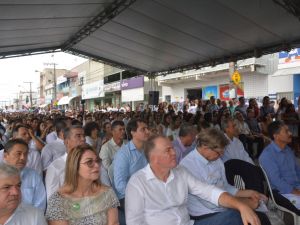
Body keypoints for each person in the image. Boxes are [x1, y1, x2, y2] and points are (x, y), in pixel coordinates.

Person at [125, 135, 261, 225]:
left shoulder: (180, 172)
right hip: (198, 215)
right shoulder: (137, 183)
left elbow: (209, 191)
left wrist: (241, 206)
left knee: (235, 216)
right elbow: (134, 222)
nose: (174, 153)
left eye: (173, 148)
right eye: (168, 150)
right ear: (154, 158)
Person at [180, 128, 270, 225]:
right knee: (242, 219)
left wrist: (250, 193)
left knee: (261, 218)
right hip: (205, 214)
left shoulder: (216, 160)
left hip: (222, 206)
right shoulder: (188, 166)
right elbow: (211, 203)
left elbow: (225, 187)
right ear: (205, 147)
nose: (221, 155)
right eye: (219, 152)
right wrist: (245, 204)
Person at [46, 144, 119, 225]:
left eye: (97, 160)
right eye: (89, 162)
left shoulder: (107, 193)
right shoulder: (58, 201)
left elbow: (114, 223)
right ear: (75, 166)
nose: (97, 165)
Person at [113, 118, 149, 224]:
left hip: (145, 190)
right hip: (126, 196)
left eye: (147, 128)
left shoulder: (147, 150)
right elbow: (120, 184)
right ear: (133, 132)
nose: (147, 131)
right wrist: (138, 196)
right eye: (143, 129)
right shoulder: (124, 154)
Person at [259, 121, 300, 215]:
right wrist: (295, 191)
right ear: (276, 136)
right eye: (286, 131)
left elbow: (297, 170)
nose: (290, 133)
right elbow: (276, 181)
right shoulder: (267, 155)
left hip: (296, 186)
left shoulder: (288, 150)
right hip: (282, 192)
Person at [3, 139, 46, 211]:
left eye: (25, 154)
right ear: (5, 156)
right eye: (18, 153)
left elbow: (40, 204)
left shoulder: (33, 176)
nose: (23, 158)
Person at [45, 125, 85, 199]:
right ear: (67, 142)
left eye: (83, 136)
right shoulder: (56, 167)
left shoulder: (91, 163)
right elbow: (52, 200)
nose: (83, 139)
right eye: (78, 136)